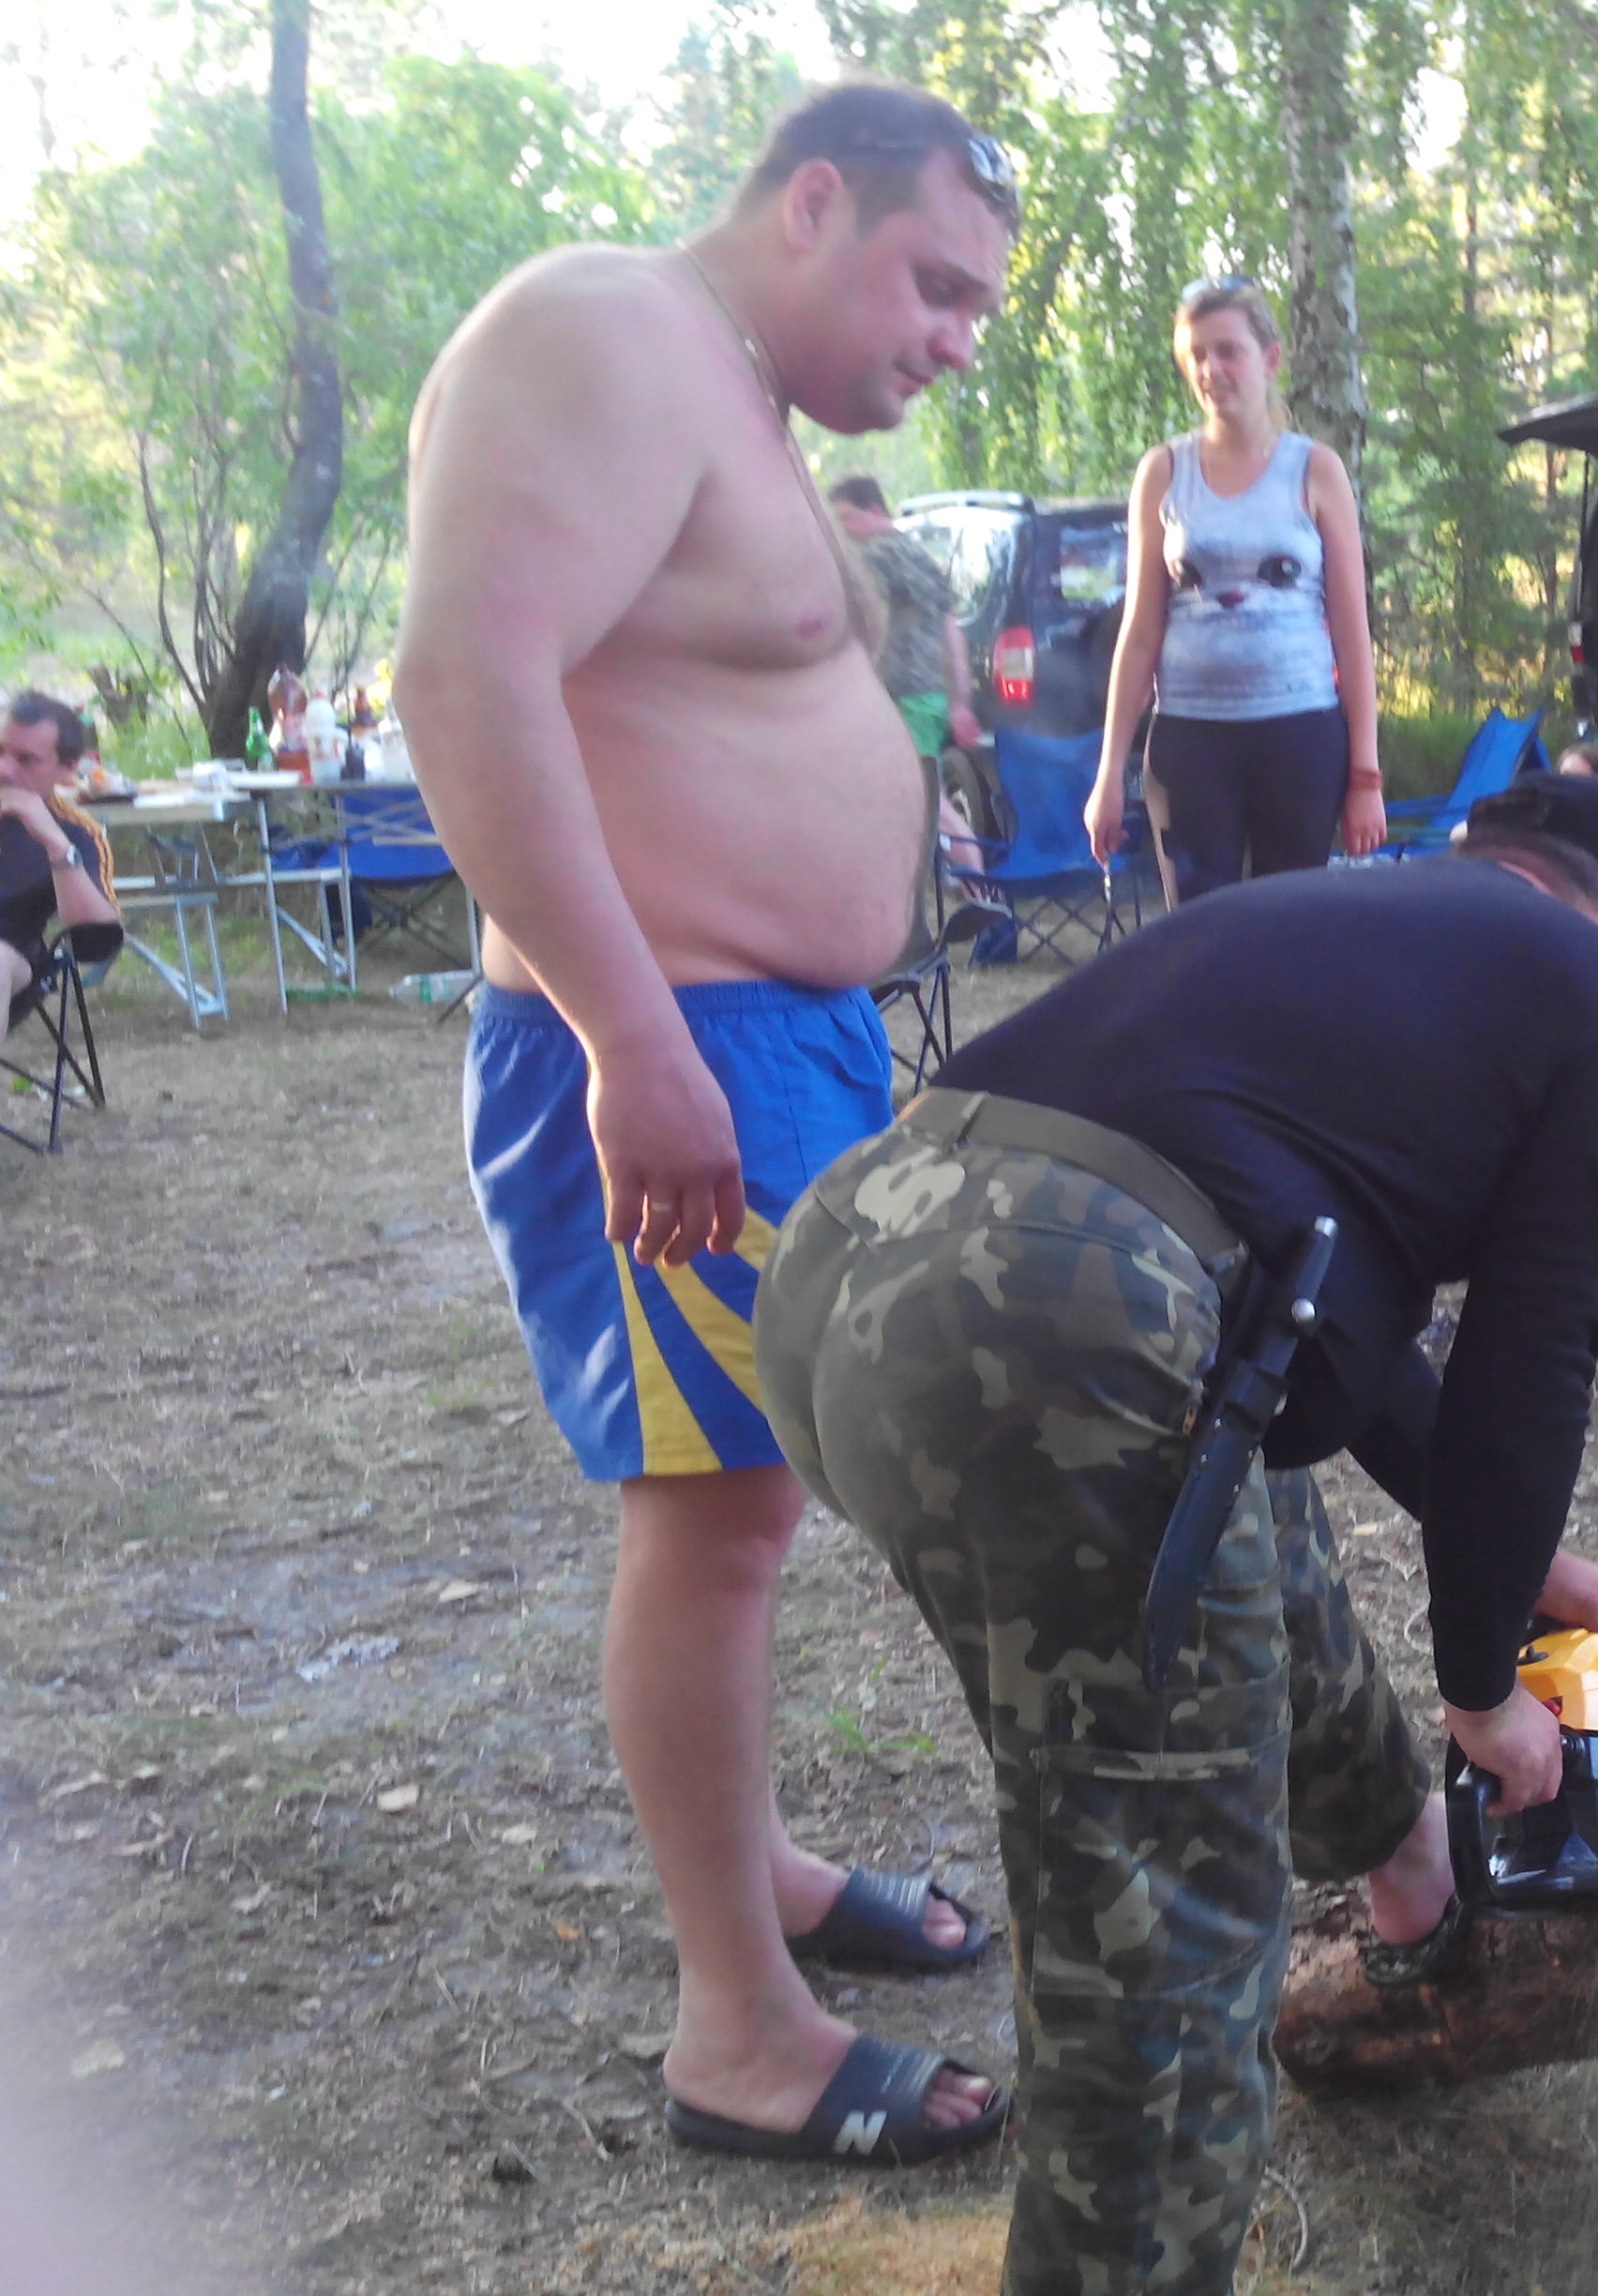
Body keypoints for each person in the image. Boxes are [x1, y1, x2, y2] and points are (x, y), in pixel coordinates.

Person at [753, 770, 1598, 2295]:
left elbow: (1329, 1333)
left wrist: (1521, 1566)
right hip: (1052, 1308)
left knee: (1242, 1493)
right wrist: (1483, 1689)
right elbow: (1529, 1363)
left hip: (849, 1251)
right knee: (1166, 1929)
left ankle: (1411, 1871)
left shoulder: (1340, 914)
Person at [394, 81, 1022, 2170]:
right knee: (714, 1519)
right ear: (811, 199)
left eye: (976, 313)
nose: (952, 341)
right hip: (679, 1039)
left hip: (769, 1036)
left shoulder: (727, 396)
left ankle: (756, 1872)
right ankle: (735, 2028)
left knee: (757, 1493)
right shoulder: (601, 329)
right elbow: (464, 677)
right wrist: (630, 1035)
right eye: (934, 284)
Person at [1081, 278, 1383, 899]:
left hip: (1300, 737)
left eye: (1227, 351)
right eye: (1196, 355)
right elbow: (1140, 633)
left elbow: (1353, 636)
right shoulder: (1164, 472)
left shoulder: (1316, 470)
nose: (1211, 370)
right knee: (1199, 931)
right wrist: (1109, 771)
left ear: (1269, 359)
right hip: (1190, 743)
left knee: (1290, 925)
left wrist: (1366, 778)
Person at [826, 474, 985, 763]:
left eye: (845, 518)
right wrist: (959, 702)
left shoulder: (872, 557)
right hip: (931, 698)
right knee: (925, 779)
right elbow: (951, 631)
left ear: (875, 511)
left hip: (897, 698)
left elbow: (847, 625)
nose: (840, 529)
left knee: (903, 783)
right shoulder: (923, 557)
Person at [0, 692, 122, 1035]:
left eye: (26, 759)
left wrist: (55, 844)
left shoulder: (74, 832)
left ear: (66, 770)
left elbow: (95, 943)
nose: (4, 769)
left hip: (11, 955)